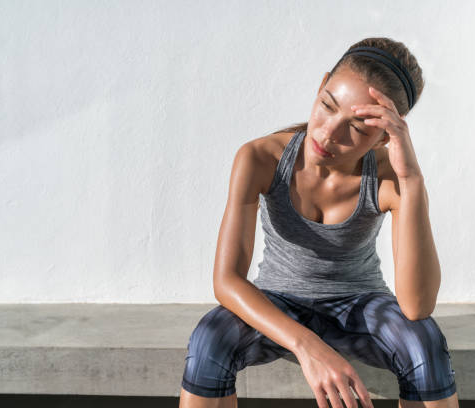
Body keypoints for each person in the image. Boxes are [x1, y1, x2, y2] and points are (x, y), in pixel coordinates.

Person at [179, 37, 459, 408]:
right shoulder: (260, 157)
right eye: (327, 105)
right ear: (321, 83)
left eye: (358, 128)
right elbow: (226, 281)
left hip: (360, 305)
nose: (328, 133)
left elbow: (416, 306)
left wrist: (411, 182)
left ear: (384, 133)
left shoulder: (391, 178)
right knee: (208, 339)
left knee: (423, 340)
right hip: (279, 300)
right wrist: (309, 347)